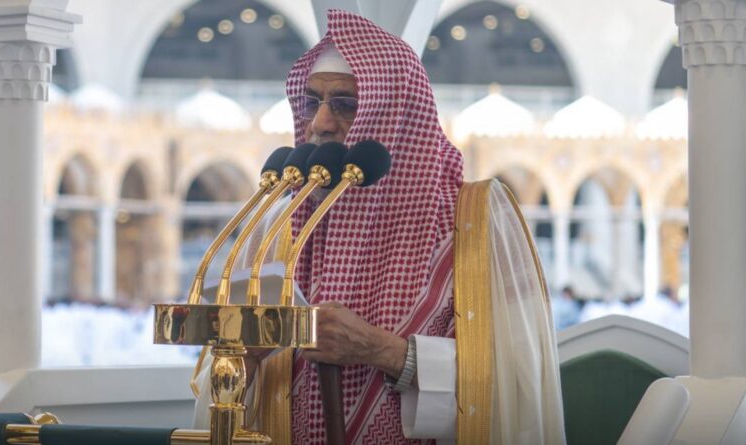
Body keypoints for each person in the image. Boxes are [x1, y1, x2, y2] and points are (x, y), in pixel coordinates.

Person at [194, 10, 565, 444]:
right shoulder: (276, 229)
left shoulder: (478, 220)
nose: (320, 124)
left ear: (396, 115)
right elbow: (213, 395)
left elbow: (518, 391)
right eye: (312, 102)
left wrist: (383, 351)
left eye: (346, 104)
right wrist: (244, 357)